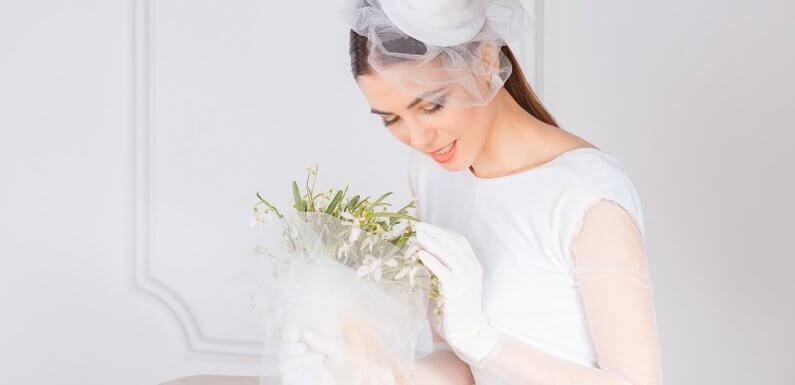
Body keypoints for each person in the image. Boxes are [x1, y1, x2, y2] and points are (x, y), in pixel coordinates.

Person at [278, 1, 664, 384]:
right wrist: (381, 372)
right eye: (391, 120)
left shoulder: (587, 195)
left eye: (431, 106)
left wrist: (485, 343)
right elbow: (459, 364)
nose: (416, 138)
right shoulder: (433, 176)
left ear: (485, 62)